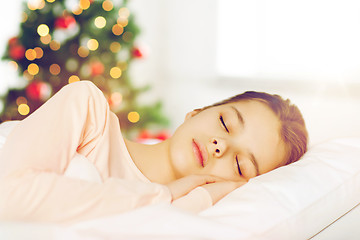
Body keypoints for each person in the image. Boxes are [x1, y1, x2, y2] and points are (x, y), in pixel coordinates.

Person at [0, 81, 308, 223]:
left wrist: (197, 200)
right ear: (197, 112)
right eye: (225, 122)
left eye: (240, 164)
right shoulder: (88, 111)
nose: (221, 145)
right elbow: (8, 193)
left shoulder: (191, 216)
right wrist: (162, 196)